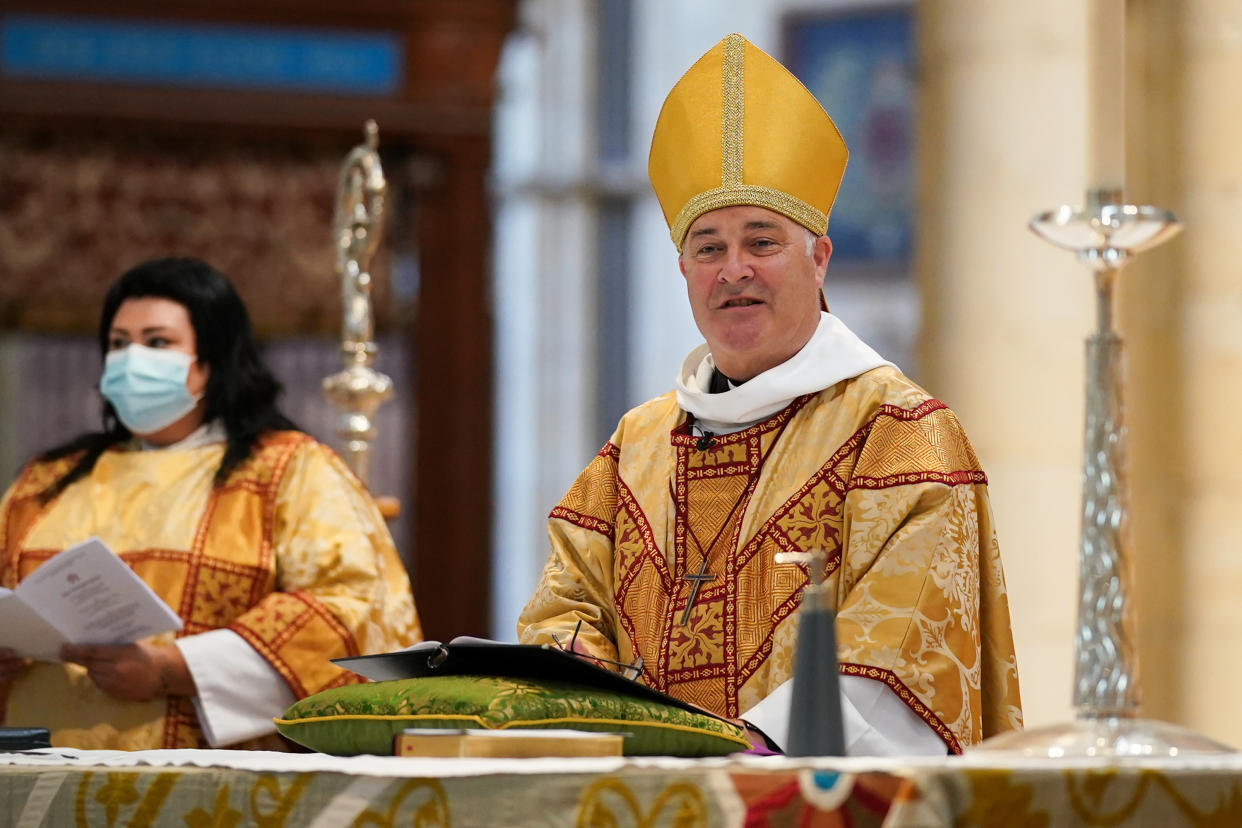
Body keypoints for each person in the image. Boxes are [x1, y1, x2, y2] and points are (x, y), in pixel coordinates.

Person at [517, 34, 1021, 755]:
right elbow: (561, 612)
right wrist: (607, 725)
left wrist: (741, 753)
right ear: (683, 269)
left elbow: (905, 653)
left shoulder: (899, 435)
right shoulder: (637, 446)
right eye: (709, 248)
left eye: (761, 241)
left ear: (819, 258)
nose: (733, 271)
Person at [0, 257, 421, 750]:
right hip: (35, 773)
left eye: (158, 343)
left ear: (212, 360)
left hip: (205, 776)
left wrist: (172, 670)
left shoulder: (287, 469)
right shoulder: (46, 481)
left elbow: (351, 610)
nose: (134, 360)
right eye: (119, 344)